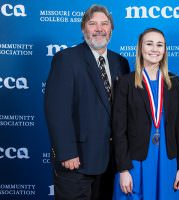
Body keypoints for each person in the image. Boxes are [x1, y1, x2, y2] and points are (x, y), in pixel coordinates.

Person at [44, 4, 130, 200]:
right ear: (84, 29)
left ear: (111, 29)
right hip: (76, 160)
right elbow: (57, 111)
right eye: (92, 24)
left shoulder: (120, 62)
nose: (99, 29)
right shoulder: (66, 59)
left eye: (104, 24)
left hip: (109, 161)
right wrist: (66, 153)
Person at [112, 28, 179, 200]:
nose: (155, 49)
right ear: (140, 48)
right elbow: (119, 130)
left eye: (159, 45)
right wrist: (123, 169)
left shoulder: (174, 82)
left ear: (164, 50)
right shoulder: (126, 83)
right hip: (136, 163)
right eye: (149, 44)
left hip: (167, 162)